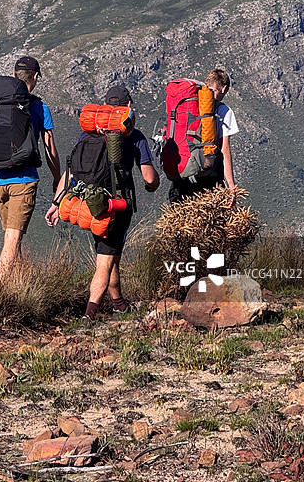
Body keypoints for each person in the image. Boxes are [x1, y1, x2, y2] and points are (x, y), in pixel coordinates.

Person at [45, 84, 159, 321]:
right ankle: (90, 313)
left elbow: (71, 172)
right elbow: (149, 177)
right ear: (128, 106)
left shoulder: (89, 133)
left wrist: (56, 203)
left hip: (88, 202)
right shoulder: (134, 136)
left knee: (110, 252)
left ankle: (119, 303)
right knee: (105, 259)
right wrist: (153, 183)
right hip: (115, 207)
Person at [0, 56, 61, 273]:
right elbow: (50, 148)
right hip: (24, 181)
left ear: (14, 75)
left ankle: (19, 287)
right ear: (36, 76)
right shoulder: (40, 107)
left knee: (14, 239)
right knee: (12, 241)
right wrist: (58, 179)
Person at [168, 68, 238, 203]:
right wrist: (231, 187)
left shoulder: (189, 105)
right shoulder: (224, 111)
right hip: (209, 179)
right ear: (223, 88)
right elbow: (225, 150)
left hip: (182, 174)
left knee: (182, 220)